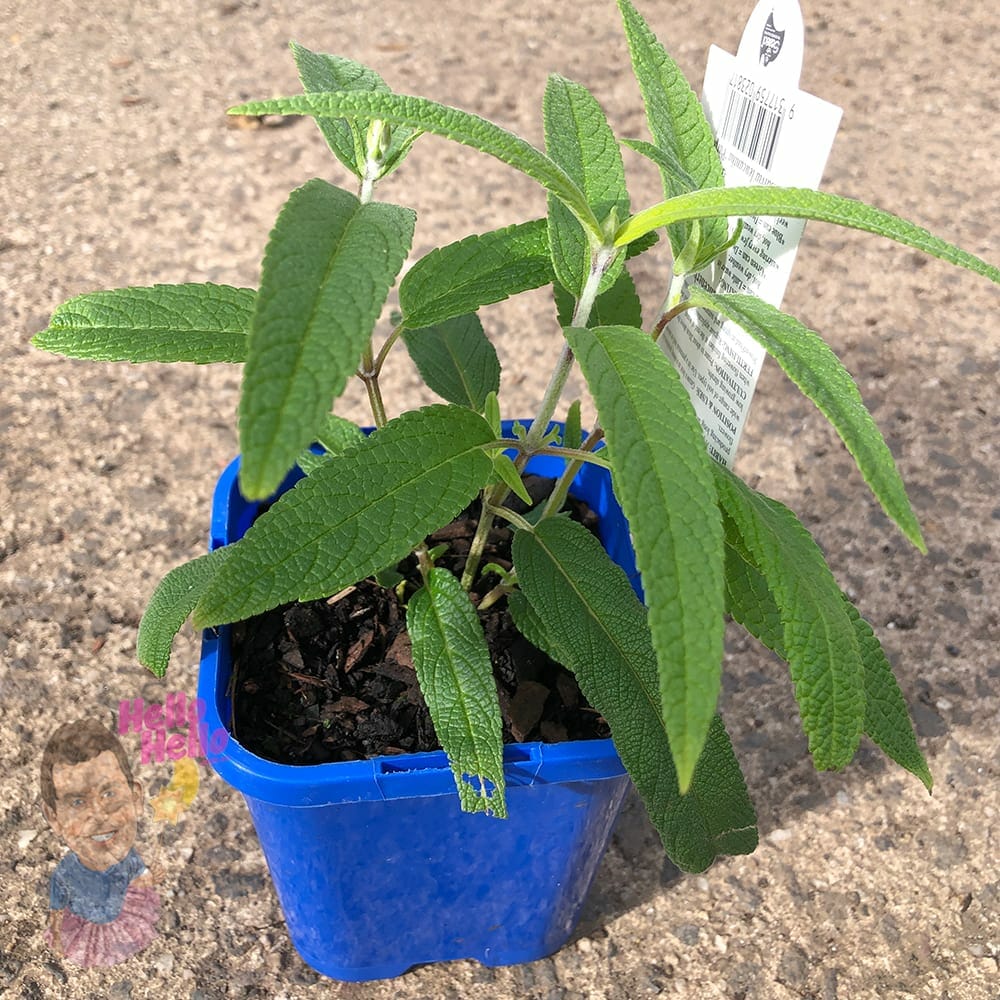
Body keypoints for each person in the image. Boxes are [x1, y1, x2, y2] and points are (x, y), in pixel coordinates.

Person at [40, 718, 163, 967]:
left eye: (109, 794)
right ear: (54, 817)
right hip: (88, 924)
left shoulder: (128, 858)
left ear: (136, 797)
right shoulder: (66, 872)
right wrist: (56, 930)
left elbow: (138, 877)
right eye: (77, 802)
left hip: (121, 917)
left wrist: (150, 878)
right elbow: (58, 908)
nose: (98, 815)